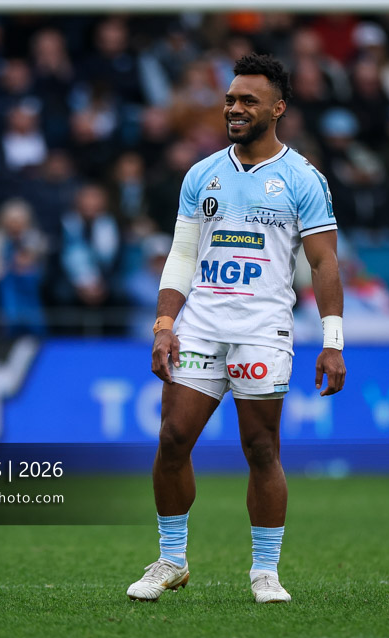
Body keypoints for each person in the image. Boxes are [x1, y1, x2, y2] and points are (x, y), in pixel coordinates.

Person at [125, 54, 346, 604]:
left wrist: (333, 341)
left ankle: (264, 571)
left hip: (262, 329)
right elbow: (181, 255)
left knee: (261, 448)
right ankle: (171, 559)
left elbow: (324, 264)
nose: (235, 108)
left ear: (278, 107)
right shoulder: (203, 174)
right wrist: (164, 324)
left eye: (248, 100)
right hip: (200, 325)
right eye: (230, 99)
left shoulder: (303, 179)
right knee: (173, 438)